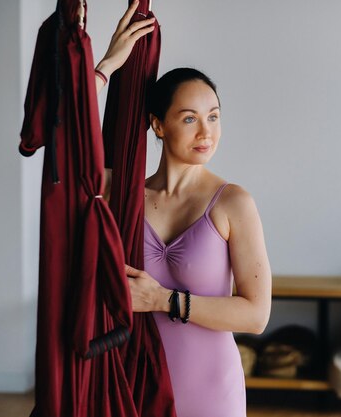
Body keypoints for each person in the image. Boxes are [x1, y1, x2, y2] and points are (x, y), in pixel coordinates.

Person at [93, 2, 272, 416]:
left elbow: (256, 315)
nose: (207, 132)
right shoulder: (123, 194)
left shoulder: (233, 203)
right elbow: (63, 145)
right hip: (136, 386)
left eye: (213, 117)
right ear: (158, 125)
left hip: (213, 392)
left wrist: (162, 300)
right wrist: (107, 66)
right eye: (190, 119)